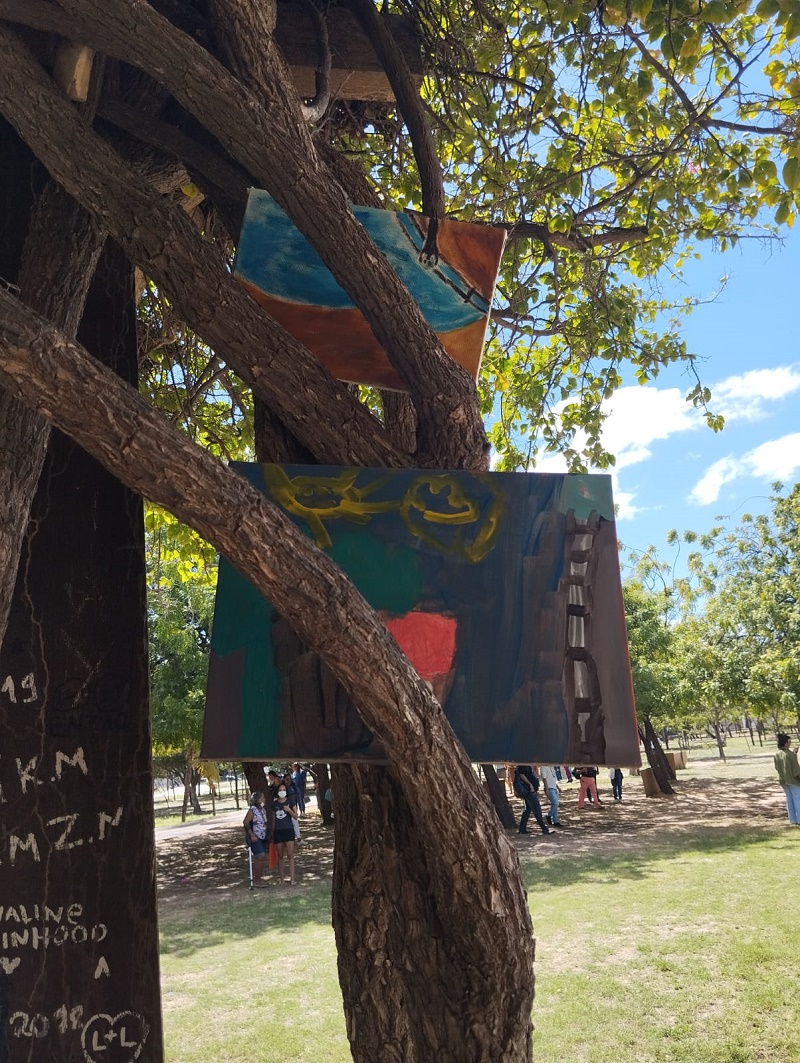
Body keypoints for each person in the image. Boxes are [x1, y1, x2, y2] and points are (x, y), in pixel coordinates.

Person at [271, 781, 300, 883]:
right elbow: (273, 820)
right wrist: (272, 832)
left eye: (284, 790)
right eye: (280, 790)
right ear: (277, 791)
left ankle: (292, 878)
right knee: (280, 855)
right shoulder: (274, 804)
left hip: (288, 830)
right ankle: (282, 878)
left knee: (290, 854)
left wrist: (289, 810)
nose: (282, 791)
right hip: (278, 831)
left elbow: (296, 816)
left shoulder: (291, 801)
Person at [513, 764, 552, 835]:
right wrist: (530, 784)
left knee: (528, 809)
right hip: (529, 790)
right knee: (536, 809)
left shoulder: (528, 764)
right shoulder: (523, 764)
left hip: (529, 789)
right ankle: (544, 828)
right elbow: (522, 775)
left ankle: (522, 828)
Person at [243, 791, 270, 887]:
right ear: (258, 800)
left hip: (263, 836)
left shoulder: (263, 810)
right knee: (260, 856)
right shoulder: (252, 810)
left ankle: (259, 877)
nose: (264, 799)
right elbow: (246, 823)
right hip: (255, 837)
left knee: (262, 858)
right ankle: (257, 880)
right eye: (262, 798)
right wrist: (251, 835)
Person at [773, 733, 800, 824]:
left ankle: (792, 819)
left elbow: (778, 767)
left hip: (783, 780)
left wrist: (794, 753)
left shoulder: (777, 754)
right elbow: (796, 770)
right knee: (797, 798)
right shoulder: (790, 754)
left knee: (789, 799)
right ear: (785, 743)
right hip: (793, 780)